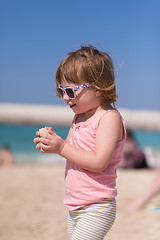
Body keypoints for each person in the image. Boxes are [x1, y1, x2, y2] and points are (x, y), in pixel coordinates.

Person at [34, 45, 126, 239]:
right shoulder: (79, 117)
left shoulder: (109, 118)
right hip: (75, 205)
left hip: (97, 206)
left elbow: (99, 161)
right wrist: (52, 143)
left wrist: (62, 147)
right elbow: (70, 148)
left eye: (71, 91)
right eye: (61, 91)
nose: (66, 98)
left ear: (99, 87)